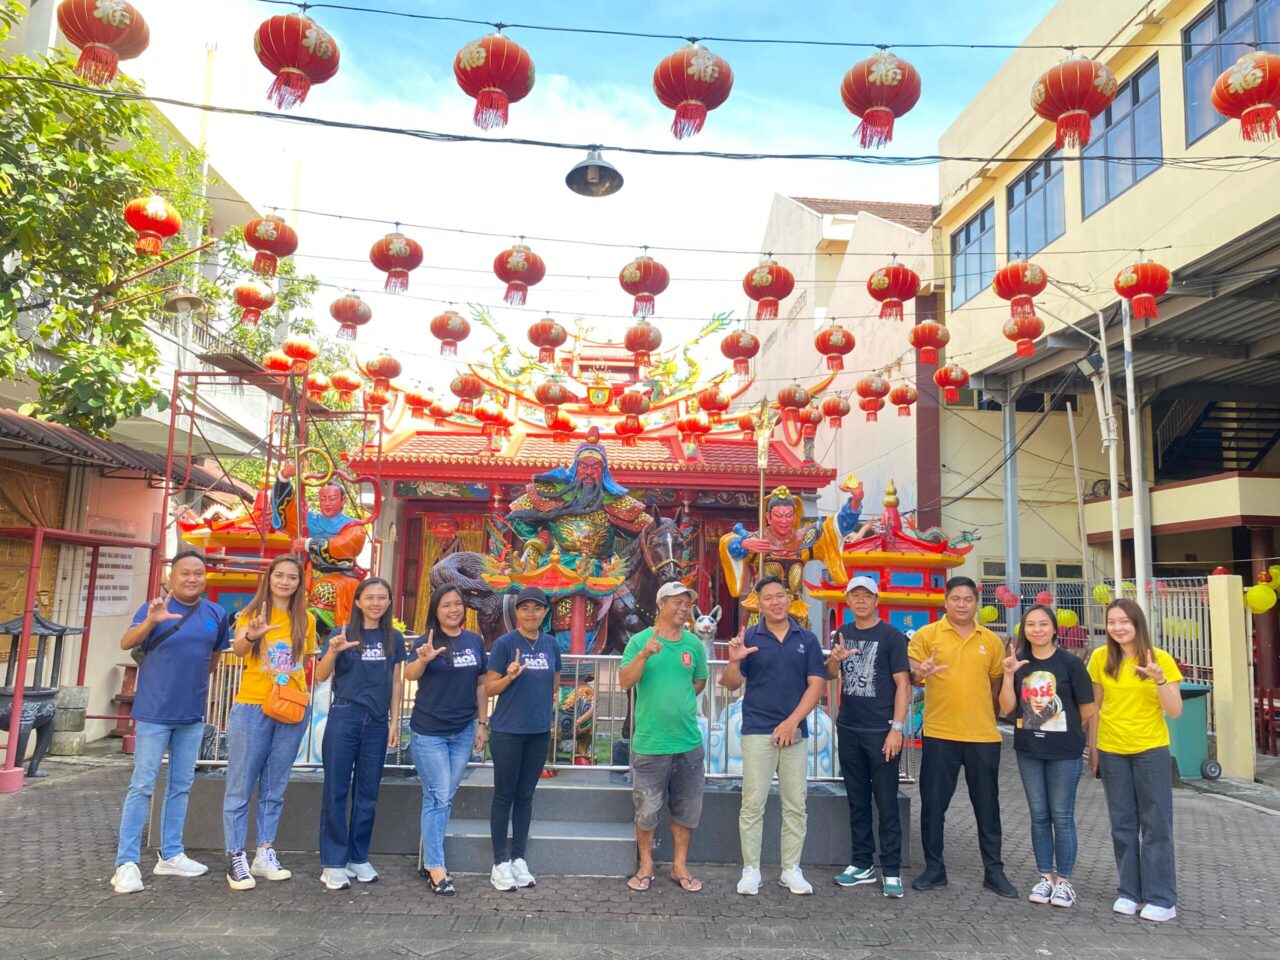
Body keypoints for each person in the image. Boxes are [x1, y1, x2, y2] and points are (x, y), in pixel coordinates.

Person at [110, 551, 230, 894]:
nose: (192, 579)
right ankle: (126, 863)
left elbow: (213, 657)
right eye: (185, 574)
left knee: (181, 785)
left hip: (191, 715)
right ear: (171, 578)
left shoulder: (216, 614)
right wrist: (150, 622)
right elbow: (126, 643)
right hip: (154, 713)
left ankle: (172, 854)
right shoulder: (154, 607)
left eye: (198, 573)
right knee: (142, 785)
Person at [908, 576, 1018, 898]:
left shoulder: (992, 641)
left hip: (983, 736)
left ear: (976, 602)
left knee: (988, 807)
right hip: (940, 734)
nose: (961, 604)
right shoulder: (928, 635)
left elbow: (996, 686)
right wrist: (920, 673)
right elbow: (914, 673)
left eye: (967, 599)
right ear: (945, 601)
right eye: (955, 598)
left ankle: (994, 872)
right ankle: (934, 869)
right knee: (933, 806)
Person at [722, 575, 826, 896]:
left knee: (796, 803)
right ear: (759, 604)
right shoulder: (750, 637)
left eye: (780, 595)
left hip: (795, 731)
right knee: (752, 803)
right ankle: (751, 869)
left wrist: (793, 721)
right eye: (768, 598)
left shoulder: (806, 638)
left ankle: (791, 869)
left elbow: (817, 685)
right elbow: (730, 684)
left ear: (789, 598)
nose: (776, 602)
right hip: (757, 730)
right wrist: (734, 661)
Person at [222, 554, 318, 891]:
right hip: (253, 706)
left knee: (275, 785)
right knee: (241, 785)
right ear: (269, 577)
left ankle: (264, 851)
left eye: (292, 577)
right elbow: (237, 651)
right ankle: (235, 855)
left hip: (291, 709)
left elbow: (303, 665)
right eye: (280, 575)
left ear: (299, 583)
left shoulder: (305, 619)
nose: (285, 582)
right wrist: (251, 635)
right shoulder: (251, 614)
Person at [1088, 597, 1183, 923]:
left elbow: (1175, 710)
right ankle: (1130, 891)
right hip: (1112, 750)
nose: (1117, 627)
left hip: (1150, 750)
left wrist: (1158, 679)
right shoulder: (1101, 658)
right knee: (1122, 824)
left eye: (1124, 621)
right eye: (1112, 621)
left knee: (1156, 825)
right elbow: (1095, 708)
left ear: (1137, 623)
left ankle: (1162, 898)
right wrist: (1094, 749)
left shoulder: (1160, 659)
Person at [997, 604, 1095, 909]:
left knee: (1062, 816)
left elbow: (1088, 708)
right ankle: (1044, 877)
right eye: (1030, 624)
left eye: (1042, 624)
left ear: (1054, 629)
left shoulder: (1070, 663)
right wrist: (1008, 674)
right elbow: (1006, 707)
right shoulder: (1019, 664)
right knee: (1039, 816)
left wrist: (1068, 734)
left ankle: (1064, 882)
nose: (1036, 629)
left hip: (1064, 752)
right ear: (1023, 629)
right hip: (1029, 750)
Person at [314, 577, 406, 891]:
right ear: (358, 601)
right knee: (336, 791)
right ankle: (333, 862)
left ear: (389, 602)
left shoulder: (393, 637)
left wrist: (395, 722)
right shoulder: (342, 634)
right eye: (370, 597)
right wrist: (333, 652)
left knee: (368, 794)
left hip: (377, 722)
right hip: (345, 717)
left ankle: (358, 856)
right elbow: (321, 675)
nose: (376, 603)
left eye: (382, 597)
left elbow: (396, 682)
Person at [618, 581, 709, 894]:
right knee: (647, 809)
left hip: (688, 742)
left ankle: (679, 866)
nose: (684, 609)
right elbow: (625, 681)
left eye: (687, 604)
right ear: (660, 604)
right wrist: (644, 655)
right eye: (677, 603)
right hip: (650, 742)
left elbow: (698, 682)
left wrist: (677, 702)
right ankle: (646, 865)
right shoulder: (640, 641)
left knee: (687, 809)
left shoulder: (694, 644)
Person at [826, 576, 910, 899]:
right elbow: (831, 673)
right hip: (849, 728)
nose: (861, 601)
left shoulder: (891, 636)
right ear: (847, 601)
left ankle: (891, 869)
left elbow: (903, 684)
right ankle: (862, 863)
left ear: (876, 600)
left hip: (881, 731)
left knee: (887, 802)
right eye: (855, 595)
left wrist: (897, 729)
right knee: (857, 800)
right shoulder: (842, 633)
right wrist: (835, 658)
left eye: (867, 596)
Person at [406, 583, 489, 897]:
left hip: (463, 730)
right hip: (429, 732)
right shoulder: (426, 641)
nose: (453, 609)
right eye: (446, 605)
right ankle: (436, 867)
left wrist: (482, 723)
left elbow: (480, 685)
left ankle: (429, 859)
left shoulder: (474, 641)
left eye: (457, 604)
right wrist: (424, 660)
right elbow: (411, 674)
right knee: (439, 796)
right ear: (435, 610)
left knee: (443, 797)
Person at [483, 586, 561, 891]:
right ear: (517, 612)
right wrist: (509, 676)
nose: (531, 613)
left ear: (545, 612)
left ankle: (518, 858)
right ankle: (499, 862)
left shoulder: (551, 644)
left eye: (537, 608)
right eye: (525, 608)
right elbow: (489, 688)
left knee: (526, 796)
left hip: (538, 731)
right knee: (504, 795)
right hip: (507, 731)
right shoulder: (505, 644)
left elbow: (554, 684)